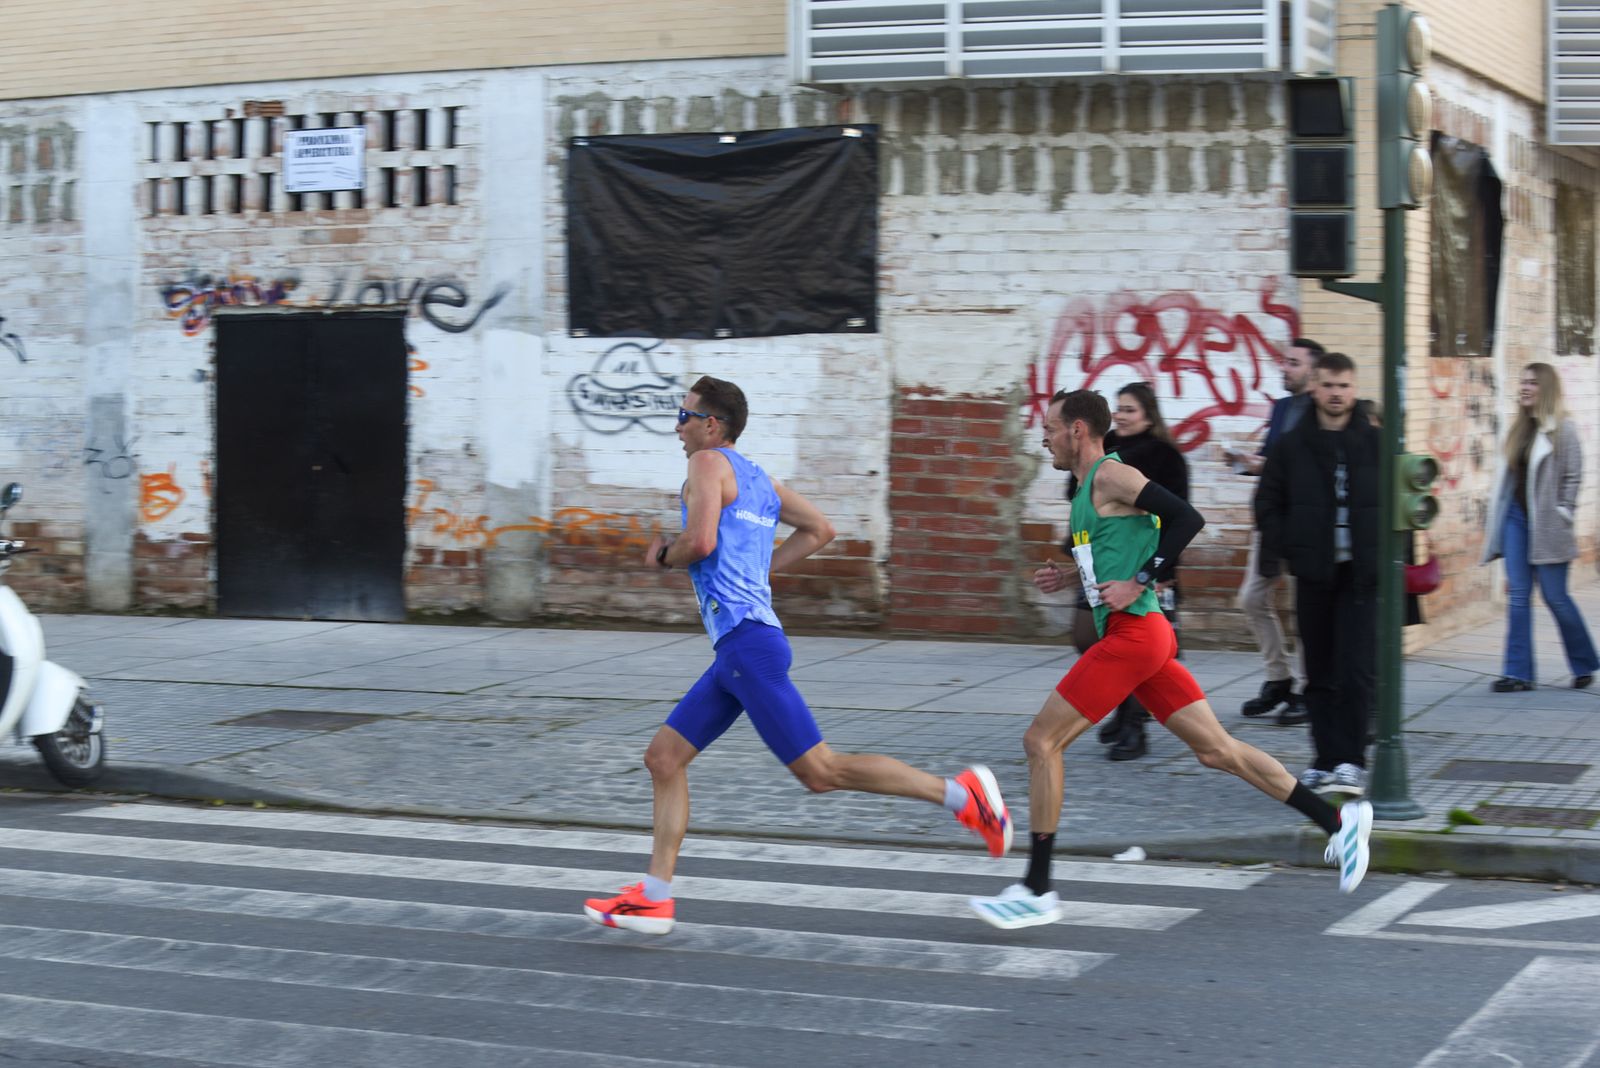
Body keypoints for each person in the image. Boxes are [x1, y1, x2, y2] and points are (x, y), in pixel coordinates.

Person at [584, 376, 1012, 935]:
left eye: (684, 416)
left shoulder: (708, 464)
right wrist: (759, 572)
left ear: (712, 424)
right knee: (663, 759)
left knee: (821, 771)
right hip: (744, 645)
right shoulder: (760, 478)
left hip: (747, 648)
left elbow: (703, 542)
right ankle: (655, 898)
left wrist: (665, 553)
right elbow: (821, 529)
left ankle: (965, 796)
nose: (677, 426)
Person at [968, 389, 1372, 930]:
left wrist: (1138, 580)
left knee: (1041, 742)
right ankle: (1339, 823)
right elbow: (1113, 553)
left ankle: (1038, 888)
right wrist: (1071, 577)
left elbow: (1187, 519)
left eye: (1049, 427)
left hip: (1136, 636)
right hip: (1145, 640)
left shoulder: (1113, 476)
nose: (1043, 436)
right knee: (1218, 751)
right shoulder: (1086, 490)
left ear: (1079, 431)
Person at [1254, 352, 1378, 796]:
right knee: (1319, 670)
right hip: (1315, 574)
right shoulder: (1293, 445)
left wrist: (1385, 559)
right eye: (1328, 385)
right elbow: (1267, 505)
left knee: (1355, 671)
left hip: (1361, 576)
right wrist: (1294, 550)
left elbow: (1401, 508)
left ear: (1355, 388)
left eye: (1344, 385)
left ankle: (1352, 760)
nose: (1336, 394)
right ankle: (1325, 758)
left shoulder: (1376, 444)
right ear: (1314, 388)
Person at [1067, 382, 1189, 761]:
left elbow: (1179, 515)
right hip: (1101, 570)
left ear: (1149, 415)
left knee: (1135, 652)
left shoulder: (1163, 457)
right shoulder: (1103, 457)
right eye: (1118, 408)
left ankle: (1134, 725)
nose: (1121, 415)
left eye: (1130, 409)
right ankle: (1126, 712)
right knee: (1088, 637)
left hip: (1144, 574)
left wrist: (1151, 573)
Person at [1224, 338, 1323, 726]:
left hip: (1308, 525)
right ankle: (1278, 677)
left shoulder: (1322, 412)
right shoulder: (1281, 408)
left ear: (1314, 371)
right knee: (1251, 598)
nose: (1285, 368)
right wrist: (1242, 463)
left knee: (1305, 609)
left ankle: (1306, 689)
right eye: (1285, 361)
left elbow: (1307, 470)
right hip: (1273, 521)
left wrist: (1266, 466)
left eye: (1293, 363)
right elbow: (1270, 463)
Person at [1482, 362, 1598, 692]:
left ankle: (1584, 661)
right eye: (1523, 382)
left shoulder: (1564, 429)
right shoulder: (1518, 428)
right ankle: (1518, 673)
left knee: (1555, 597)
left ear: (1546, 388)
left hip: (1548, 525)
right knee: (1518, 596)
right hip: (1516, 521)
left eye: (1532, 383)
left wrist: (1564, 512)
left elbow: (1574, 476)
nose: (1525, 387)